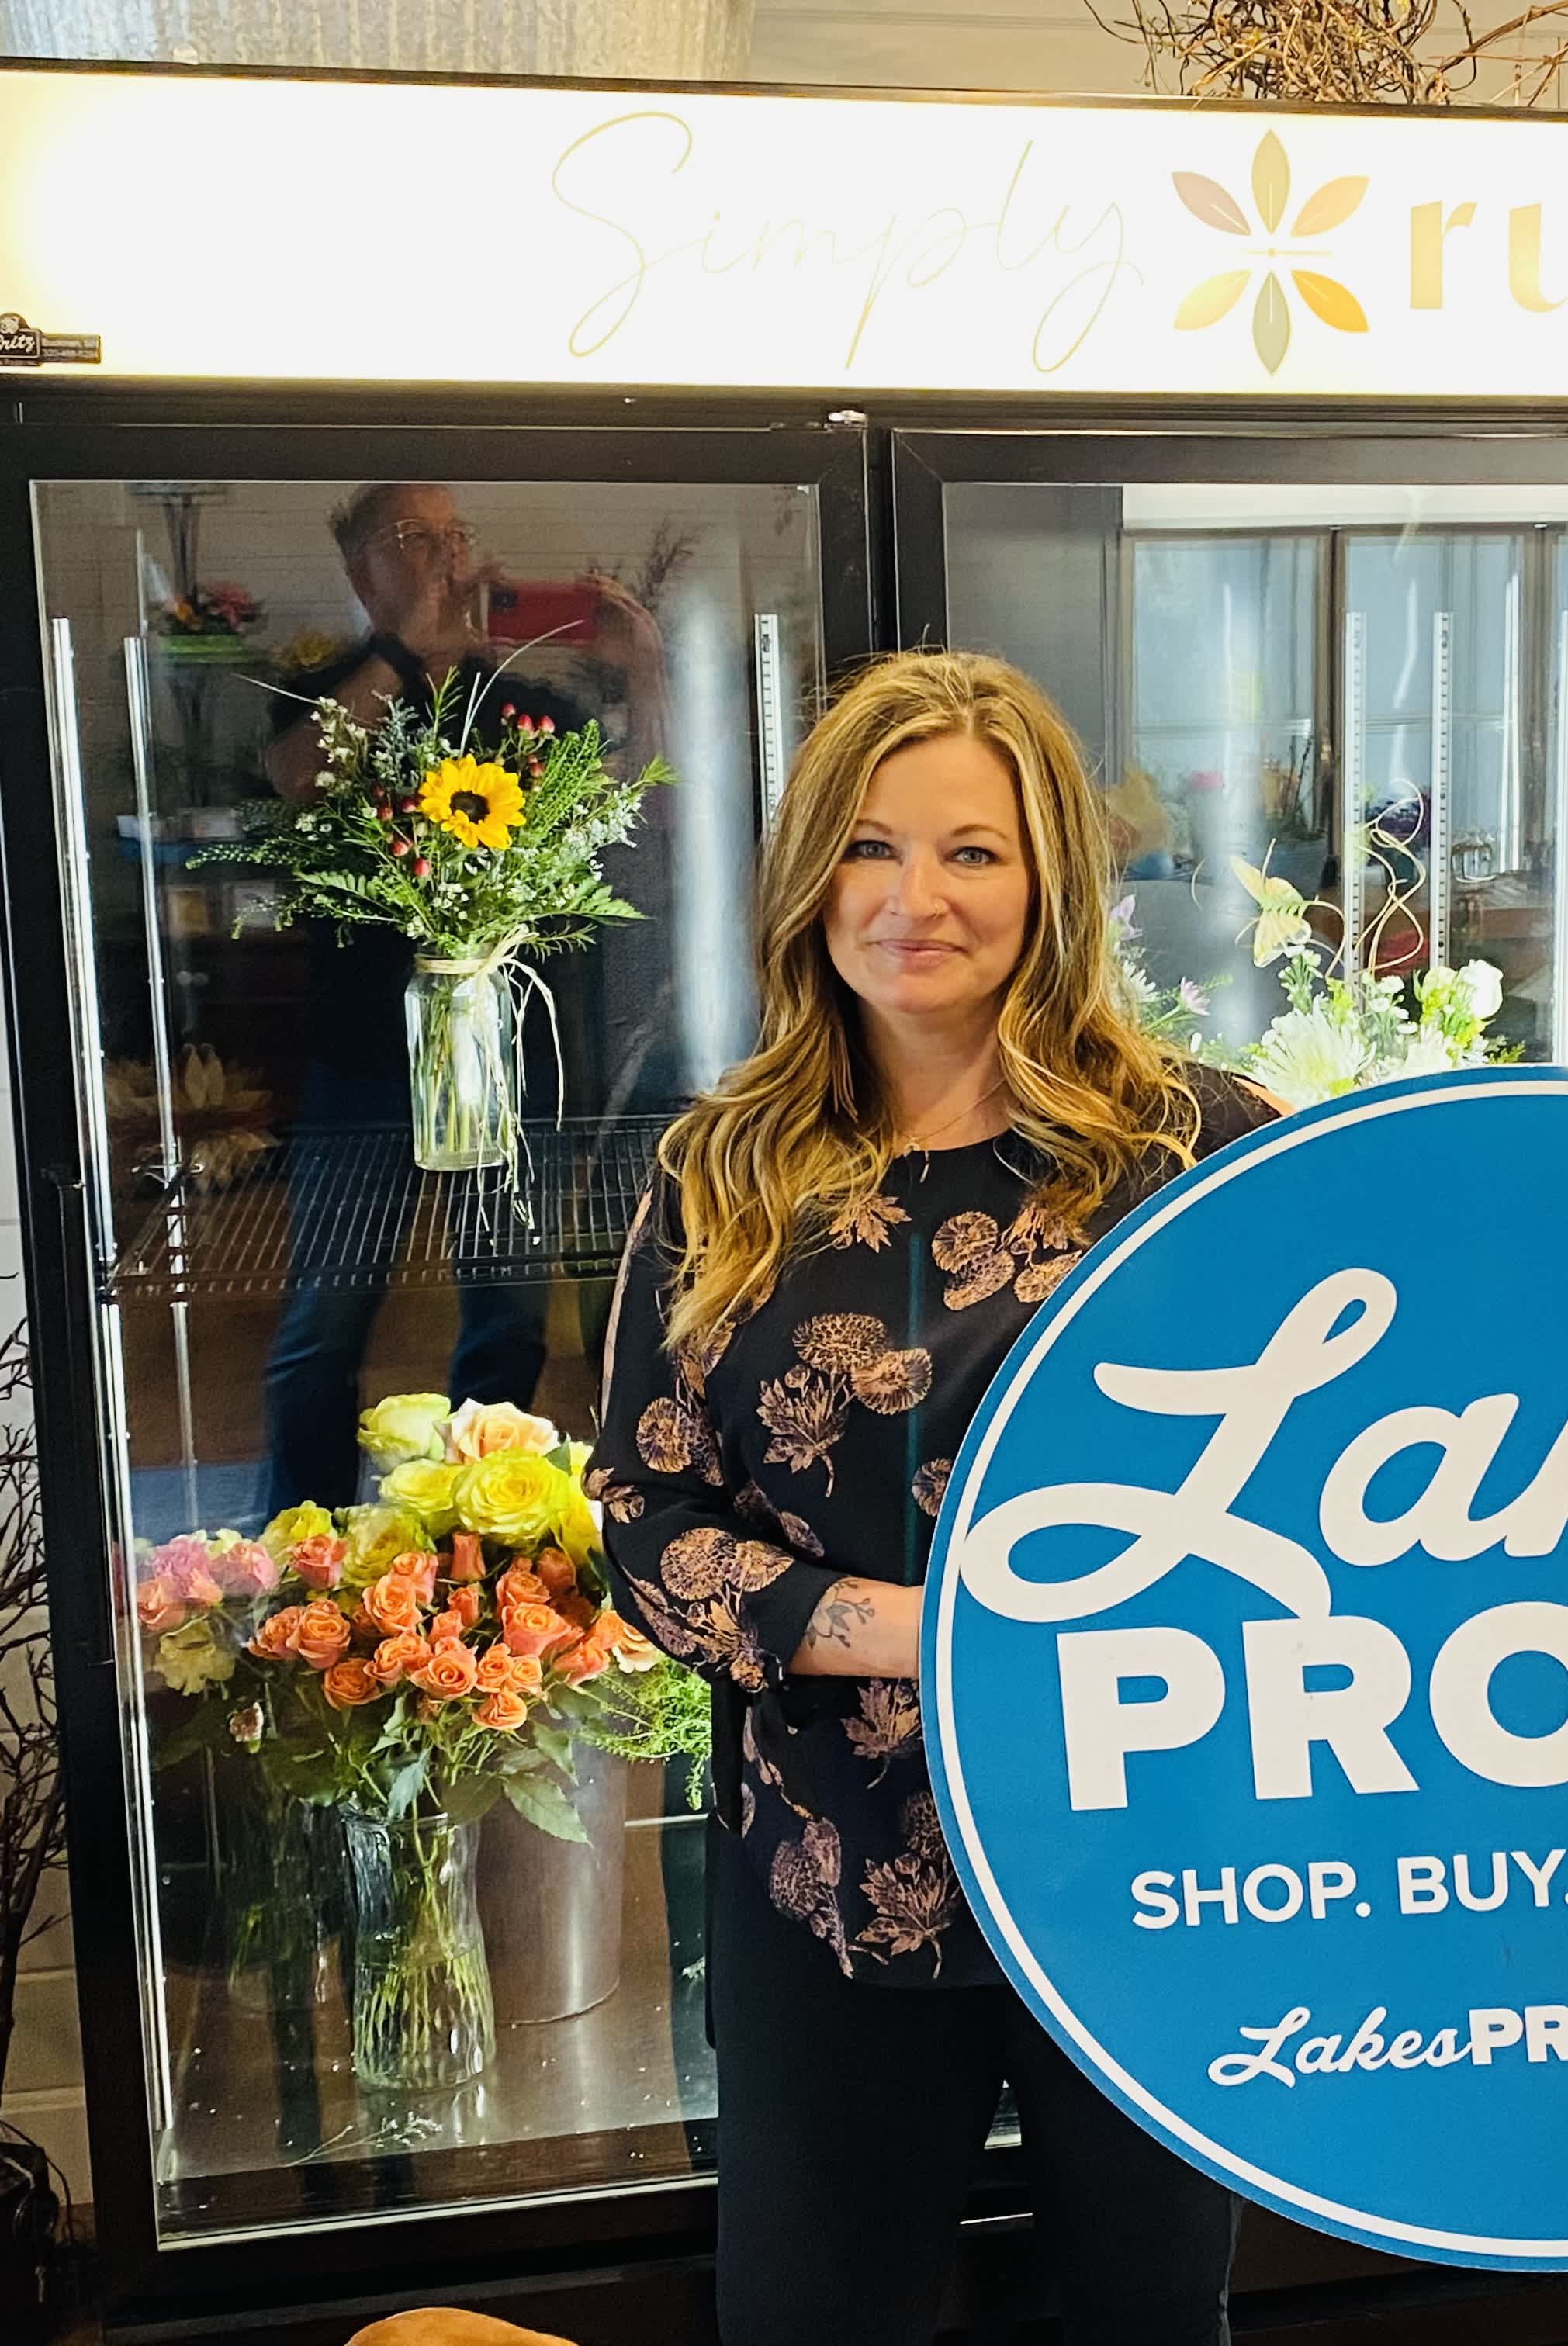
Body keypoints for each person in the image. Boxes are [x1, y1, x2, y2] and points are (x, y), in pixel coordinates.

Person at [587, 651, 1277, 2346]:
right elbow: (645, 1521)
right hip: (825, 1869)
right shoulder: (721, 1171)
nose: (917, 900)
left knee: (1149, 2318)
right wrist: (920, 1634)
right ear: (810, 876)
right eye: (871, 847)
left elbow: (1345, 1481)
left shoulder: (1200, 1151)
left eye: (974, 851)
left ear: (1051, 882)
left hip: (1149, 1866)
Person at [254, 483, 664, 1513]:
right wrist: (407, 654)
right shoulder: (324, 694)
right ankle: (303, 1540)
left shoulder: (528, 706)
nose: (445, 555)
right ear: (361, 574)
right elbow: (299, 774)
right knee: (322, 1324)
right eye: (412, 538)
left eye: (455, 536)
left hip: (517, 1063)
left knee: (509, 1320)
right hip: (362, 1061)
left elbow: (641, 824)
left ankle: (480, 1535)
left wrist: (645, 676)